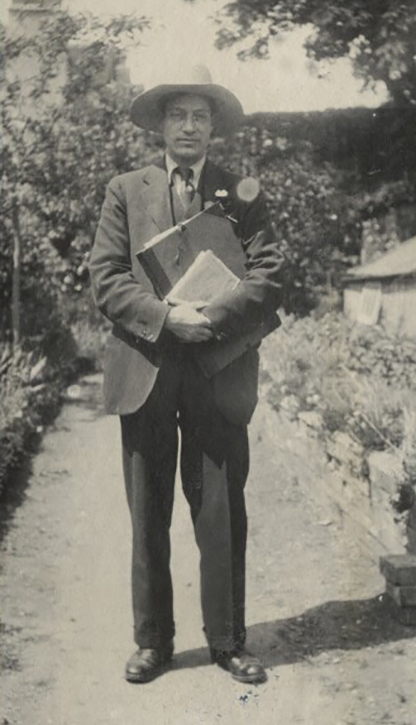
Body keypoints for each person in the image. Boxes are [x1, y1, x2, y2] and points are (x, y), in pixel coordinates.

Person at [89, 65, 286, 685]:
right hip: (146, 366)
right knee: (148, 512)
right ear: (161, 124)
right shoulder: (125, 189)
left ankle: (228, 641)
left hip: (218, 369)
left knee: (221, 509)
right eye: (180, 115)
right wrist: (165, 316)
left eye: (202, 116)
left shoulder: (240, 192)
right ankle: (154, 641)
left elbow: (271, 273)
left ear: (214, 128)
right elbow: (106, 278)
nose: (191, 127)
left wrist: (214, 315)